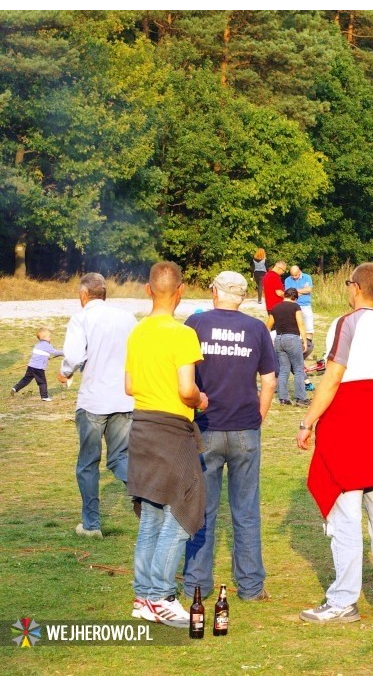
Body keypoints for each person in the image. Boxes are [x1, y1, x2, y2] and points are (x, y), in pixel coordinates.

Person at [299, 262, 373, 623]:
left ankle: (343, 600)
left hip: (347, 427)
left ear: (357, 288)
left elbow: (333, 377)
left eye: (349, 284)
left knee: (345, 517)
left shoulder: (347, 323)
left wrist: (307, 421)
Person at [182, 271, 277, 602]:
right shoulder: (256, 329)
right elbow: (269, 381)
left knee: (200, 510)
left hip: (205, 427)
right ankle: (251, 587)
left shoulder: (195, 325)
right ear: (244, 296)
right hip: (245, 429)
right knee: (246, 510)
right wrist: (258, 417)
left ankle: (197, 584)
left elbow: (183, 378)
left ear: (214, 292)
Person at [125, 261, 207, 628]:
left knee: (151, 518)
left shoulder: (137, 332)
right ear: (181, 290)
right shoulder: (183, 334)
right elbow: (186, 389)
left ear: (147, 289)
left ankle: (142, 597)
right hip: (173, 430)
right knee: (180, 515)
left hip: (141, 427)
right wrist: (201, 399)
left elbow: (129, 386)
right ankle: (160, 596)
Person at [57, 273, 136, 539]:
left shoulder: (82, 318)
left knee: (88, 463)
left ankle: (91, 525)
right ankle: (150, 499)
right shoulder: (127, 318)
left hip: (93, 400)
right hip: (125, 398)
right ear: (105, 294)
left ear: (83, 295)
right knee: (120, 458)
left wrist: (66, 372)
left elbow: (74, 355)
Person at [267, 287, 308, 406]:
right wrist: (304, 341)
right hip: (292, 338)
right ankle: (301, 398)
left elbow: (268, 326)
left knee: (283, 369)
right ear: (294, 297)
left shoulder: (275, 307)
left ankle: (283, 398)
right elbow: (300, 324)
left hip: (279, 339)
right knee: (298, 369)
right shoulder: (295, 307)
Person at [12, 327, 63, 401]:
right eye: (49, 336)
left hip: (31, 366)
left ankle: (15, 388)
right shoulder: (47, 345)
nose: (51, 338)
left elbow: (40, 355)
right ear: (44, 337)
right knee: (42, 382)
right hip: (38, 368)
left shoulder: (37, 345)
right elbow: (54, 352)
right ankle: (44, 397)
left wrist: (45, 358)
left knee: (26, 379)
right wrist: (65, 352)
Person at [285, 265, 314, 352]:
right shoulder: (287, 280)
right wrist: (302, 290)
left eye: (296, 275)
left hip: (306, 305)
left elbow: (309, 290)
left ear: (299, 272)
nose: (294, 277)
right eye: (292, 275)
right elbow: (289, 293)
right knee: (295, 326)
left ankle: (308, 346)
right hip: (293, 305)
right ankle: (295, 348)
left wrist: (295, 291)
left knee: (309, 326)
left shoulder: (307, 277)